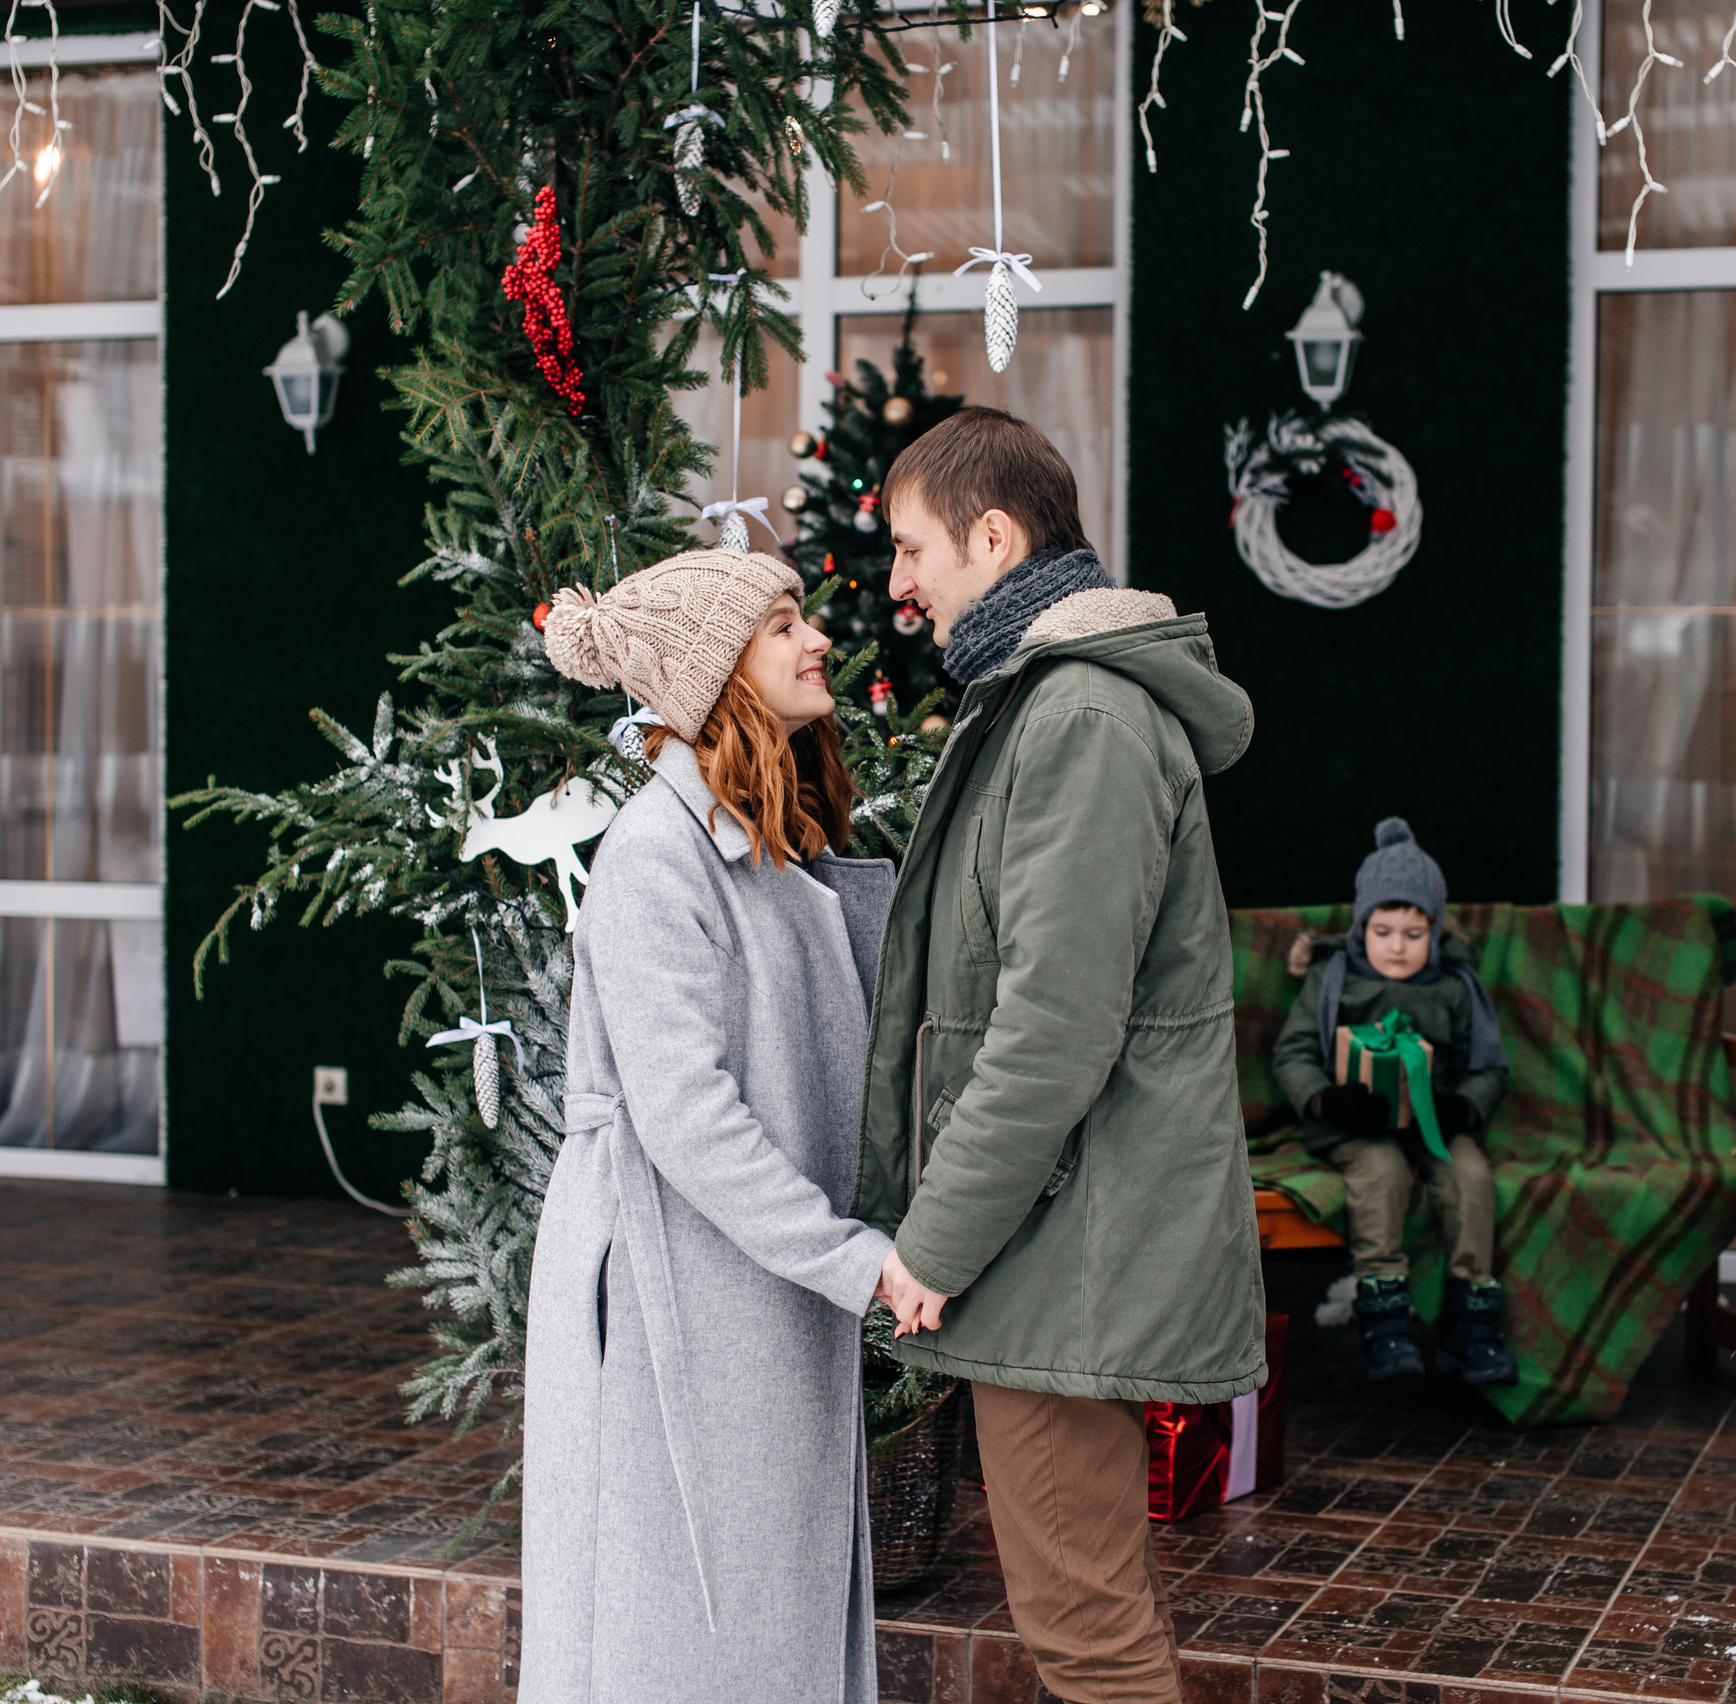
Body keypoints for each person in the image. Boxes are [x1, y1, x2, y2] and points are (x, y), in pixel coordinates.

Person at [855, 407, 1266, 1704]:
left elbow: (1053, 1027)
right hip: (1057, 1232)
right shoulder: (1038, 703)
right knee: (1088, 1605)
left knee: (1085, 1629)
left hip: (1066, 1237)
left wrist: (935, 1240)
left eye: (913, 548)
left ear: (995, 533)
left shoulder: (1080, 716)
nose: (897, 584)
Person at [522, 548, 901, 1704]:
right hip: (667, 1286)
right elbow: (689, 1123)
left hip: (754, 1278)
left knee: (763, 1581)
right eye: (780, 623)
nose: (817, 637)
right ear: (709, 672)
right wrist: (855, 1259)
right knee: (682, 1600)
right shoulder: (653, 860)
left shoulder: (770, 840)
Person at [1268, 818, 1517, 1387]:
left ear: (1434, 929)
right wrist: (1327, 1100)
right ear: (1362, 928)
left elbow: (1489, 1067)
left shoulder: (1456, 986)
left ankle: (1470, 1324)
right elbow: (1294, 1053)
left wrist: (1462, 1109)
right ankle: (1385, 1319)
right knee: (1381, 1172)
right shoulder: (1334, 978)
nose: (1397, 947)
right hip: (1357, 1125)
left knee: (1470, 1174)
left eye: (1413, 933)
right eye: (1383, 932)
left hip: (1434, 1119)